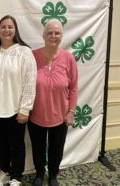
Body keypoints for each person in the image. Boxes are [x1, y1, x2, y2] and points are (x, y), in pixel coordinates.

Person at [0, 15, 37, 186]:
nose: (6, 30)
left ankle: (16, 176)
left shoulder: (24, 52)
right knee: (1, 144)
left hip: (16, 109)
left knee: (17, 145)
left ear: (15, 30)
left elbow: (30, 81)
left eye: (10, 27)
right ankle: (5, 172)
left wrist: (25, 108)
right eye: (3, 27)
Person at [28, 19, 78, 186]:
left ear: (62, 36)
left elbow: (74, 87)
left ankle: (54, 175)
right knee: (38, 148)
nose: (53, 36)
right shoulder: (32, 56)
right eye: (50, 33)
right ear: (43, 35)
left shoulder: (69, 58)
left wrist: (71, 111)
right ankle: (40, 174)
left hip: (60, 116)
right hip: (36, 115)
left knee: (56, 149)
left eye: (57, 33)